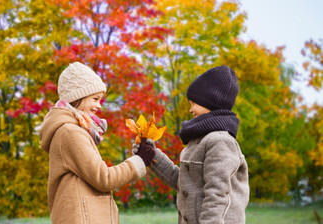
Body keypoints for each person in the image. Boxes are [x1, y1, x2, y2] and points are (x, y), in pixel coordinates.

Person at [39, 62, 155, 224]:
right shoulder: (70, 132)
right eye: (95, 99)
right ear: (77, 97)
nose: (98, 106)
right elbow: (103, 178)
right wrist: (139, 161)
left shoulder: (73, 130)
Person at [135, 65, 249, 224]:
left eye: (194, 103)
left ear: (211, 101)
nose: (190, 109)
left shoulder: (220, 141)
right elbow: (184, 182)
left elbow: (217, 194)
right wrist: (153, 156)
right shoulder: (200, 140)